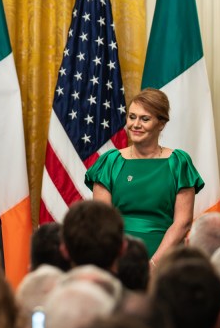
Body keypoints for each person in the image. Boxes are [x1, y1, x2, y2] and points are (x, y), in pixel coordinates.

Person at [84, 88, 204, 262]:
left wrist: (154, 264)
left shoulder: (179, 162)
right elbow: (103, 222)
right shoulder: (110, 162)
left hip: (165, 258)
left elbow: (183, 222)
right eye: (132, 117)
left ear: (161, 123)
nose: (135, 124)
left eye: (145, 119)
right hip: (117, 256)